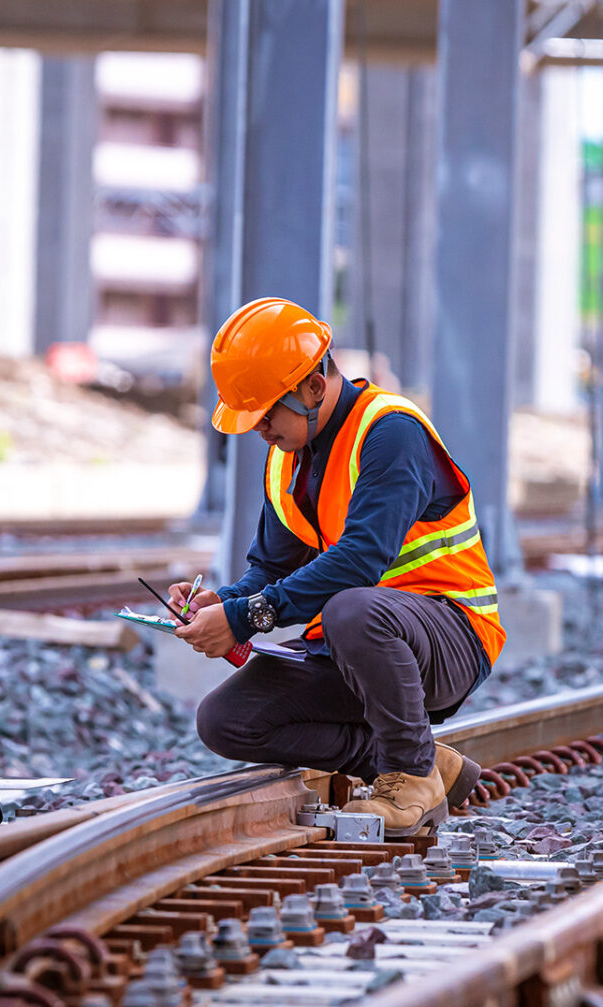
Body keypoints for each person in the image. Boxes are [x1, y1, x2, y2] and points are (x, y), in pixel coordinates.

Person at [169, 297, 504, 835]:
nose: (260, 431)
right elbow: (269, 569)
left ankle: (411, 779)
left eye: (265, 415)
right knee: (226, 721)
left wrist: (245, 619)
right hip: (354, 645)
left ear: (313, 388)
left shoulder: (390, 433)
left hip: (450, 637)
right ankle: (422, 759)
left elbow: (359, 562)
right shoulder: (288, 459)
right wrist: (225, 603)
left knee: (352, 608)